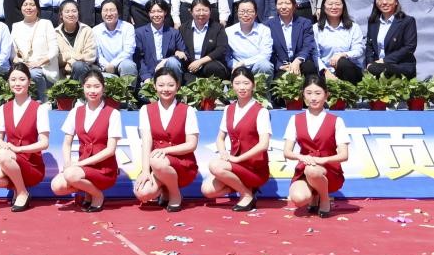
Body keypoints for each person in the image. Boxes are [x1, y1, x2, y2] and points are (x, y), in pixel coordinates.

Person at [50, 70, 121, 212]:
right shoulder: (75, 112)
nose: (92, 91)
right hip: (82, 168)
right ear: (83, 88)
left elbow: (110, 150)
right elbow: (67, 143)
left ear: (103, 88)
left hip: (104, 169)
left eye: (96, 86)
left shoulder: (113, 113)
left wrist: (79, 164)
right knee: (57, 186)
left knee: (71, 175)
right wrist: (68, 163)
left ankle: (97, 195)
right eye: (88, 86)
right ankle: (89, 192)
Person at [201, 66, 270, 211]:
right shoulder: (229, 109)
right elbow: (220, 138)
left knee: (215, 166)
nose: (242, 87)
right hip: (234, 164)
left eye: (246, 83)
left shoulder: (261, 111)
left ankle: (246, 195)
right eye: (237, 83)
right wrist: (223, 153)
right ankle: (246, 189)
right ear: (232, 85)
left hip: (254, 168)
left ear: (253, 85)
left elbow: (263, 144)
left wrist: (238, 159)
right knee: (207, 190)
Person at [0, 63, 50, 212]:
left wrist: (18, 149)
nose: (17, 83)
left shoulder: (39, 109)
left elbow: (44, 143)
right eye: (13, 80)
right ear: (8, 82)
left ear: (29, 81)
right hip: (9, 161)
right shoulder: (4, 108)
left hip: (31, 164)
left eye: (22, 79)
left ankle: (21, 193)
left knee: (4, 155)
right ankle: (21, 190)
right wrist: (1, 144)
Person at [133, 68, 199, 212]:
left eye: (170, 85)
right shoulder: (146, 110)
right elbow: (146, 142)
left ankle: (175, 194)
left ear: (177, 86)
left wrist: (165, 150)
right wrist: (145, 171)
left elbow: (192, 144)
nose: (166, 89)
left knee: (157, 160)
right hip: (156, 164)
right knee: (143, 193)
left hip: (182, 163)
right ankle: (165, 190)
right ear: (154, 86)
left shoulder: (188, 110)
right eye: (161, 85)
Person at [284, 75, 350, 218]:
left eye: (318, 93)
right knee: (298, 198)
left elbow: (344, 155)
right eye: (309, 93)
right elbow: (287, 152)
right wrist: (302, 157)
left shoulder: (336, 121)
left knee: (313, 170)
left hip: (329, 171)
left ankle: (324, 199)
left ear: (326, 95)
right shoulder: (295, 119)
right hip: (304, 169)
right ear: (303, 95)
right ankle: (314, 196)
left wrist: (322, 160)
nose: (313, 98)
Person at [9, 0, 58, 101]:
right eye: (25, 4)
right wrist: (22, 63)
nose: (28, 7)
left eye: (32, 4)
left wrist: (38, 63)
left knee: (34, 73)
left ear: (38, 8)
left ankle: (45, 101)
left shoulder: (46, 23)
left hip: (44, 68)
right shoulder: (16, 26)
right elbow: (13, 52)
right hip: (24, 66)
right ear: (21, 8)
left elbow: (54, 50)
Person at [364, 0, 419, 78]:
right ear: (375, 3)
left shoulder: (407, 21)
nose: (384, 2)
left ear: (396, 1)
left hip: (400, 65)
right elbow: (369, 45)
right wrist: (369, 62)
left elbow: (410, 47)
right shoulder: (373, 22)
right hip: (376, 65)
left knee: (375, 69)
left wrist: (384, 61)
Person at [314, 0, 365, 83]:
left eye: (337, 4)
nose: (334, 7)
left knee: (342, 62)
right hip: (325, 72)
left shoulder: (354, 27)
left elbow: (359, 50)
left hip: (350, 71)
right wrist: (325, 71)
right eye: (330, 4)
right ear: (324, 7)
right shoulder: (315, 28)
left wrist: (343, 55)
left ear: (343, 7)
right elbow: (315, 54)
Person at [266, 0, 318, 79]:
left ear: (294, 6)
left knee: (309, 68)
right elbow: (268, 50)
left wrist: (298, 61)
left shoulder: (305, 23)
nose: (283, 7)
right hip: (281, 65)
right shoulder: (268, 25)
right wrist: (280, 65)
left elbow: (308, 45)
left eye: (287, 3)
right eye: (280, 4)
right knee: (279, 80)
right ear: (275, 6)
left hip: (300, 62)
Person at [135, 0, 188, 82]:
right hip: (148, 75)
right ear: (148, 13)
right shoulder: (139, 33)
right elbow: (138, 58)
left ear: (165, 12)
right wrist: (146, 77)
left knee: (173, 62)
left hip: (169, 73)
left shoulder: (174, 33)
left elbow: (184, 55)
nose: (156, 15)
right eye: (152, 12)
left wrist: (167, 60)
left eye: (160, 11)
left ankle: (176, 86)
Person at [184, 0, 231, 80]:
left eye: (205, 10)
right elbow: (178, 45)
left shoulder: (218, 28)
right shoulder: (184, 28)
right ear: (191, 12)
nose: (201, 13)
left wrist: (200, 61)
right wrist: (178, 51)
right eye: (198, 10)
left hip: (210, 65)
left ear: (210, 11)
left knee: (212, 68)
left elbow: (221, 49)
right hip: (191, 67)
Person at [226, 0, 275, 77]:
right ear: (237, 13)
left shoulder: (264, 30)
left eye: (249, 11)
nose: (245, 15)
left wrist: (244, 63)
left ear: (256, 14)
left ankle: (262, 85)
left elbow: (266, 54)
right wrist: (236, 65)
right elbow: (227, 56)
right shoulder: (228, 31)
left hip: (257, 66)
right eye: (242, 11)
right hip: (237, 68)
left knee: (265, 65)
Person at [93, 0, 137, 81]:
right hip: (104, 67)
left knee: (128, 65)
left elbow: (129, 51)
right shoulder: (95, 30)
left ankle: (128, 89)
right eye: (105, 10)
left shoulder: (128, 27)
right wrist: (106, 66)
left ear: (118, 12)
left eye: (112, 10)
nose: (109, 14)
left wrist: (113, 64)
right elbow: (98, 54)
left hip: (123, 64)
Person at [55, 0, 97, 82]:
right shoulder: (55, 33)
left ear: (78, 13)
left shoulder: (86, 30)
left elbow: (90, 55)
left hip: (83, 72)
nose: (71, 14)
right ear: (61, 15)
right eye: (67, 12)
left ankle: (80, 90)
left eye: (74, 11)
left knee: (78, 66)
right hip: (63, 74)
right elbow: (55, 58)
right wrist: (75, 57)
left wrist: (71, 62)